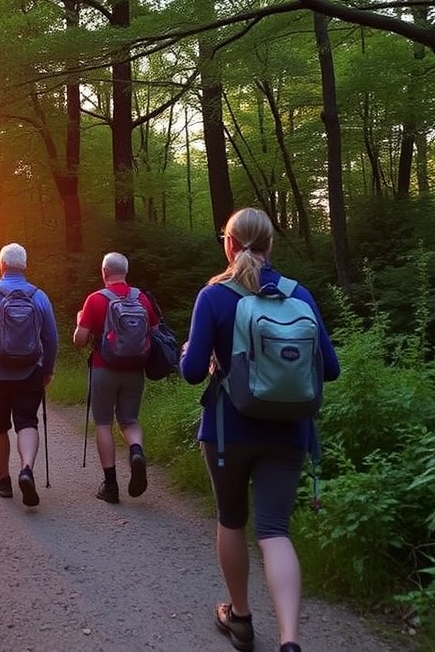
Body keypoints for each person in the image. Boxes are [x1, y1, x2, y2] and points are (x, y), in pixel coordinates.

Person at [179, 208, 340, 652]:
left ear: (228, 244)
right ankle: (290, 640)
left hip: (228, 432)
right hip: (289, 432)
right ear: (271, 245)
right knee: (274, 530)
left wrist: (195, 351)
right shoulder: (299, 295)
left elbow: (193, 373)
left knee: (231, 520)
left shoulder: (213, 297)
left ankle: (241, 618)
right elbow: (331, 368)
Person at [0, 243, 58, 507]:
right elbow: (51, 338)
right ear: (25, 266)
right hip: (30, 371)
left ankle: (4, 480)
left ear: (2, 265)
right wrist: (47, 369)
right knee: (28, 421)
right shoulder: (39, 296)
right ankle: (26, 469)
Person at [73, 252, 158, 504]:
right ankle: (136, 452)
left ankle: (110, 486)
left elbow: (79, 340)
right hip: (135, 370)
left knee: (103, 423)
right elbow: (154, 334)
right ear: (126, 272)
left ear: (104, 272)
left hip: (104, 368)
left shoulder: (96, 299)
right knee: (130, 421)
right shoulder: (141, 298)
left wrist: (80, 320)